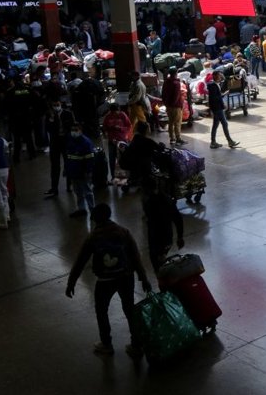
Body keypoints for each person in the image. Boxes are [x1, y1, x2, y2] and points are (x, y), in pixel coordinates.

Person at [65, 203, 152, 357]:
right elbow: (135, 257)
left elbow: (80, 262)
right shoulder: (123, 232)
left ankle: (106, 344)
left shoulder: (93, 237)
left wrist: (71, 282)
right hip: (126, 276)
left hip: (105, 280)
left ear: (94, 218)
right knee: (129, 309)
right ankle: (136, 344)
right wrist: (144, 278)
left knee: (101, 311)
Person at [143, 179, 185, 271]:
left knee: (158, 263)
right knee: (160, 260)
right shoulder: (167, 199)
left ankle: (163, 279)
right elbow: (178, 219)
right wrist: (180, 237)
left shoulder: (149, 202)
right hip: (166, 237)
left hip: (157, 238)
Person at [44, 100, 76, 198]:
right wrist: (52, 120)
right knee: (55, 166)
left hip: (66, 142)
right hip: (55, 143)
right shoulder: (49, 116)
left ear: (61, 104)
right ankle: (54, 188)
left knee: (69, 163)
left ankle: (69, 185)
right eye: (54, 105)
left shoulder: (68, 114)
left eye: (57, 105)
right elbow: (47, 129)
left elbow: (73, 126)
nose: (56, 107)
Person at [65, 122, 96, 218]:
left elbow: (90, 159)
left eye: (76, 130)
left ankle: (93, 211)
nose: (73, 132)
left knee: (87, 192)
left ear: (81, 131)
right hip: (74, 172)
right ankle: (81, 209)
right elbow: (68, 157)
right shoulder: (70, 140)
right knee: (78, 192)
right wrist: (67, 169)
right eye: (72, 130)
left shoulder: (86, 143)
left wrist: (88, 171)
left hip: (83, 173)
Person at [207, 70, 239, 150]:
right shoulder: (213, 85)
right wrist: (223, 97)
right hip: (217, 108)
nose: (221, 76)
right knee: (224, 123)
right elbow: (215, 98)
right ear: (216, 76)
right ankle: (229, 141)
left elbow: (216, 96)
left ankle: (213, 142)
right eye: (219, 75)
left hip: (216, 107)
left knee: (216, 125)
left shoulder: (214, 84)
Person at [101, 103, 132, 180]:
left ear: (119, 110)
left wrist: (121, 129)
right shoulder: (108, 117)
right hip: (112, 141)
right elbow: (104, 127)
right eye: (112, 112)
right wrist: (108, 130)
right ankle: (113, 177)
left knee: (123, 159)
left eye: (116, 111)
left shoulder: (123, 115)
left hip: (122, 141)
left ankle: (125, 177)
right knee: (112, 159)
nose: (114, 113)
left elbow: (129, 126)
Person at [161, 68, 186, 146]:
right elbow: (176, 96)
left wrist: (166, 103)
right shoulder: (176, 83)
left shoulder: (166, 82)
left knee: (171, 122)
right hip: (175, 106)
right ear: (176, 73)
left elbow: (163, 93)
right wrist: (176, 104)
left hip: (168, 106)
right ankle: (178, 138)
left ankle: (172, 138)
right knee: (177, 123)